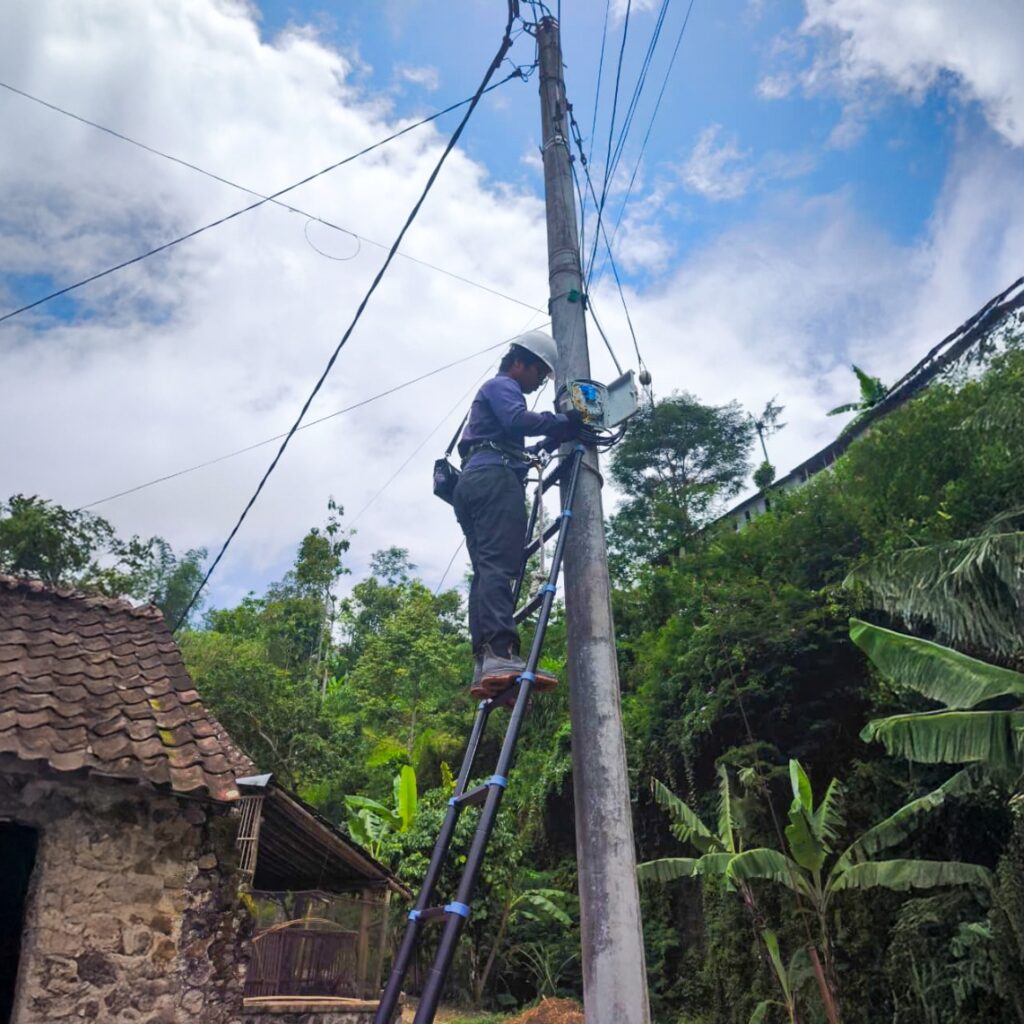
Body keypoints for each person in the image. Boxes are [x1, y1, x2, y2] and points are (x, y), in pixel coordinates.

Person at [454, 330, 583, 700]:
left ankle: (486, 663)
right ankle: (501, 654)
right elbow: (516, 420)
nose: (541, 380)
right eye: (540, 372)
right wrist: (562, 421)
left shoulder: (494, 395)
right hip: (494, 479)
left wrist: (550, 437)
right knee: (498, 565)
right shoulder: (503, 386)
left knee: (485, 571)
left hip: (475, 479)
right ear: (520, 363)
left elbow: (515, 430)